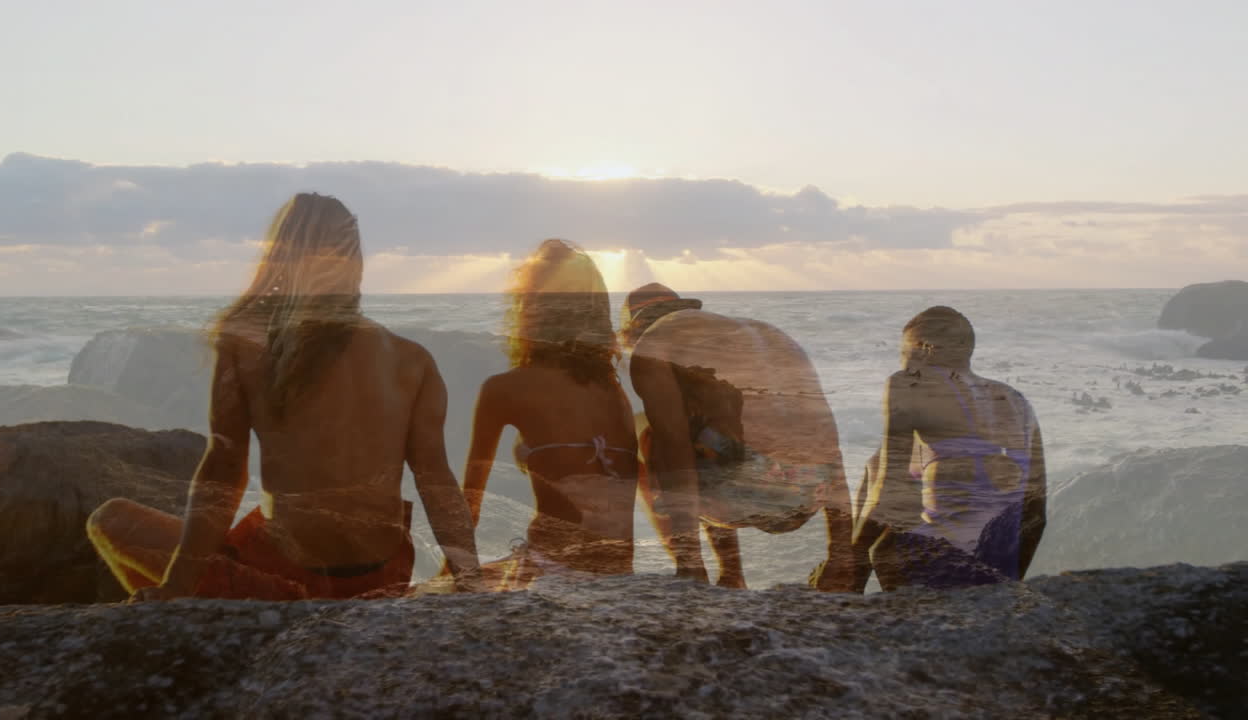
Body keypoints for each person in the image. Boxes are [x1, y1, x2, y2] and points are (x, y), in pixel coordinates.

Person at [86, 193, 483, 600]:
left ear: (282, 256)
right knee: (253, 525)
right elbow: (436, 481)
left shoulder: (246, 344)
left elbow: (224, 469)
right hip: (379, 580)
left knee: (111, 519)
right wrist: (469, 578)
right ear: (356, 261)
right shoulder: (411, 359)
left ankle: (189, 628)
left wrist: (178, 587)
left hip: (286, 581)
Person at [622, 283, 853, 588]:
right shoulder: (767, 332)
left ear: (633, 329)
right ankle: (732, 574)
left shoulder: (653, 344)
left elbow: (676, 451)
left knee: (651, 437)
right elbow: (827, 441)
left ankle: (701, 566)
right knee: (711, 430)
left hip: (746, 497)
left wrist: (689, 563)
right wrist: (841, 557)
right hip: (811, 494)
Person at [821, 306, 1046, 591]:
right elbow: (1037, 514)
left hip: (940, 563)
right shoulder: (1017, 400)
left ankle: (850, 588)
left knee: (884, 547)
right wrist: (1010, 583)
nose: (903, 363)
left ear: (924, 349)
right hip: (999, 560)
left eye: (904, 353)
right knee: (875, 463)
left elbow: (891, 489)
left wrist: (847, 561)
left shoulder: (909, 383)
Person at [461, 239, 639, 590]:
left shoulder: (505, 388)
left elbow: (470, 504)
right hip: (618, 571)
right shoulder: (611, 390)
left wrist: (455, 574)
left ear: (530, 307)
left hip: (553, 569)